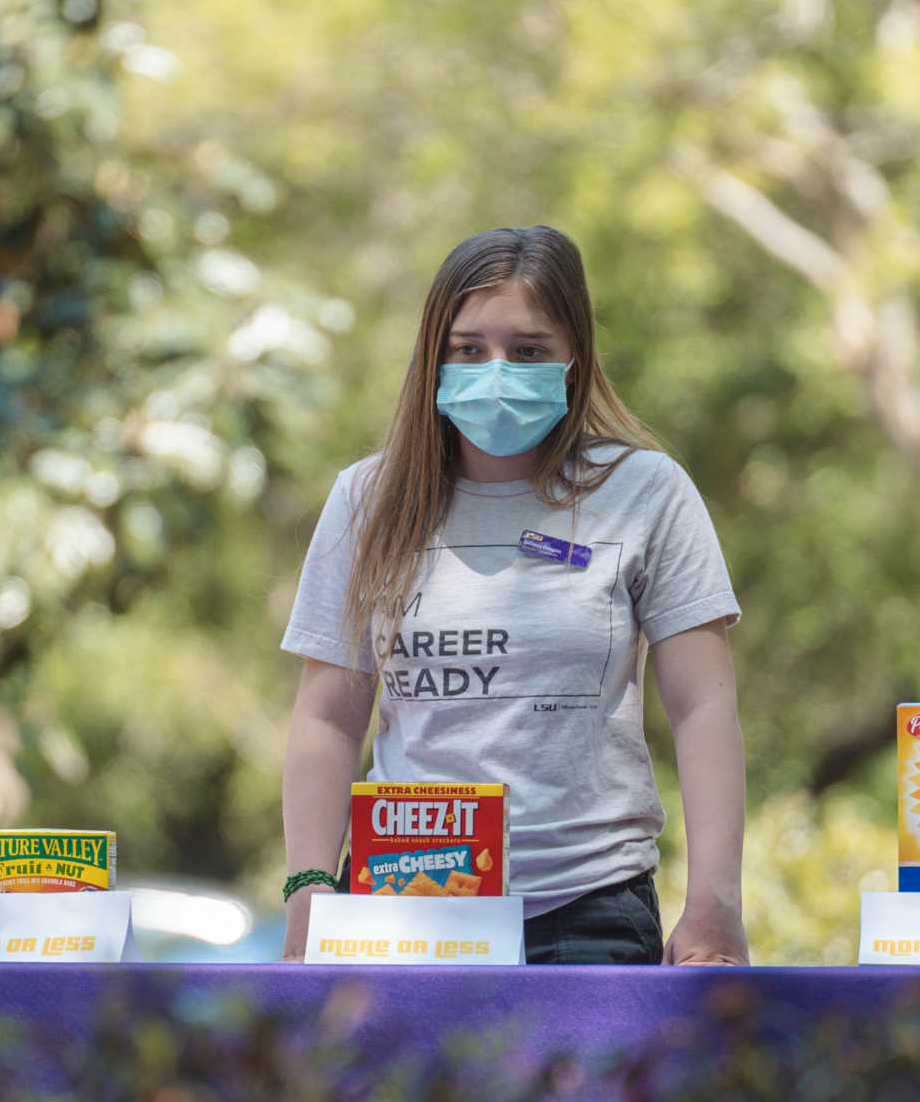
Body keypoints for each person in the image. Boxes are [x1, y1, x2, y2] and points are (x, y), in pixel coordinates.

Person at [277, 225, 749, 965]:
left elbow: (703, 705)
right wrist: (308, 887)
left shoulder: (646, 492)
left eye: (527, 350)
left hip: (588, 911)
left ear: (574, 357)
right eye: (469, 349)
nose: (496, 370)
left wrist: (716, 902)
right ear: (435, 355)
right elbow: (328, 716)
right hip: (399, 909)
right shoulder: (365, 500)